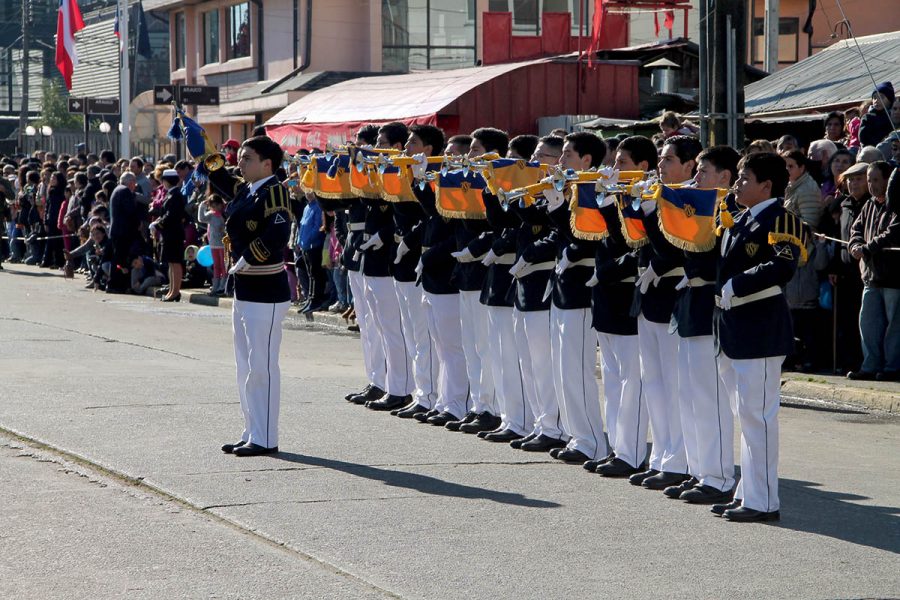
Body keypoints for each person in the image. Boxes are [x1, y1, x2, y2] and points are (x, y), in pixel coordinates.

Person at [712, 151, 803, 522]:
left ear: (766, 185)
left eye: (745, 178)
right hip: (735, 327)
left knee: (759, 417)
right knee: (745, 415)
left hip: (761, 328)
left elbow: (782, 267)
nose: (737, 184)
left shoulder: (781, 218)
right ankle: (748, 490)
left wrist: (737, 284)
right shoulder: (740, 219)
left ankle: (763, 501)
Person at [214, 135, 294, 457]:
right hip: (244, 287)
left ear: (267, 164)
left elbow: (277, 232)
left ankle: (266, 436)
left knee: (263, 366)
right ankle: (252, 430)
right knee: (245, 365)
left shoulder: (275, 190)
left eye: (247, 158)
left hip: (266, 287)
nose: (240, 163)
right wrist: (202, 150)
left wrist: (249, 256)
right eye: (240, 158)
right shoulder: (249, 189)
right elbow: (221, 181)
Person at [847, 162, 900, 381]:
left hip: (893, 277)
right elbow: (856, 230)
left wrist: (868, 248)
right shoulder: (868, 205)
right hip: (870, 276)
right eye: (869, 180)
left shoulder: (896, 204)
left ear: (888, 180)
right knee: (868, 325)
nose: (872, 185)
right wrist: (855, 245)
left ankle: (891, 367)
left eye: (876, 180)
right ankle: (870, 365)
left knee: (894, 328)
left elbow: (895, 231)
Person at [151, 169, 186, 302]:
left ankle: (175, 291)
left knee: (175, 262)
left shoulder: (175, 195)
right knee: (171, 263)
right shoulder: (171, 194)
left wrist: (158, 224)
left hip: (174, 234)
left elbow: (171, 216)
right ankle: (172, 289)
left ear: (166, 181)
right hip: (170, 234)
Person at [782, 150, 824, 231]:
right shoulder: (792, 184)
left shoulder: (807, 189)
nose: (786, 169)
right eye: (784, 166)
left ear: (801, 168)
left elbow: (810, 225)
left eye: (790, 166)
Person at [198, 194, 227, 296]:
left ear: (220, 204)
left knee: (224, 265)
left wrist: (224, 229)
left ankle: (223, 285)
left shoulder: (224, 215)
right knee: (216, 265)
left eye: (216, 205)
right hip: (214, 244)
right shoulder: (211, 215)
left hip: (223, 244)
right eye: (212, 206)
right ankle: (215, 285)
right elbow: (201, 218)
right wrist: (202, 206)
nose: (214, 208)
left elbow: (229, 226)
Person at [859, 82, 895, 148]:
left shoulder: (893, 116)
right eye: (874, 97)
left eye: (881, 97)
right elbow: (863, 136)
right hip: (870, 149)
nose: (877, 100)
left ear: (890, 100)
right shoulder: (868, 117)